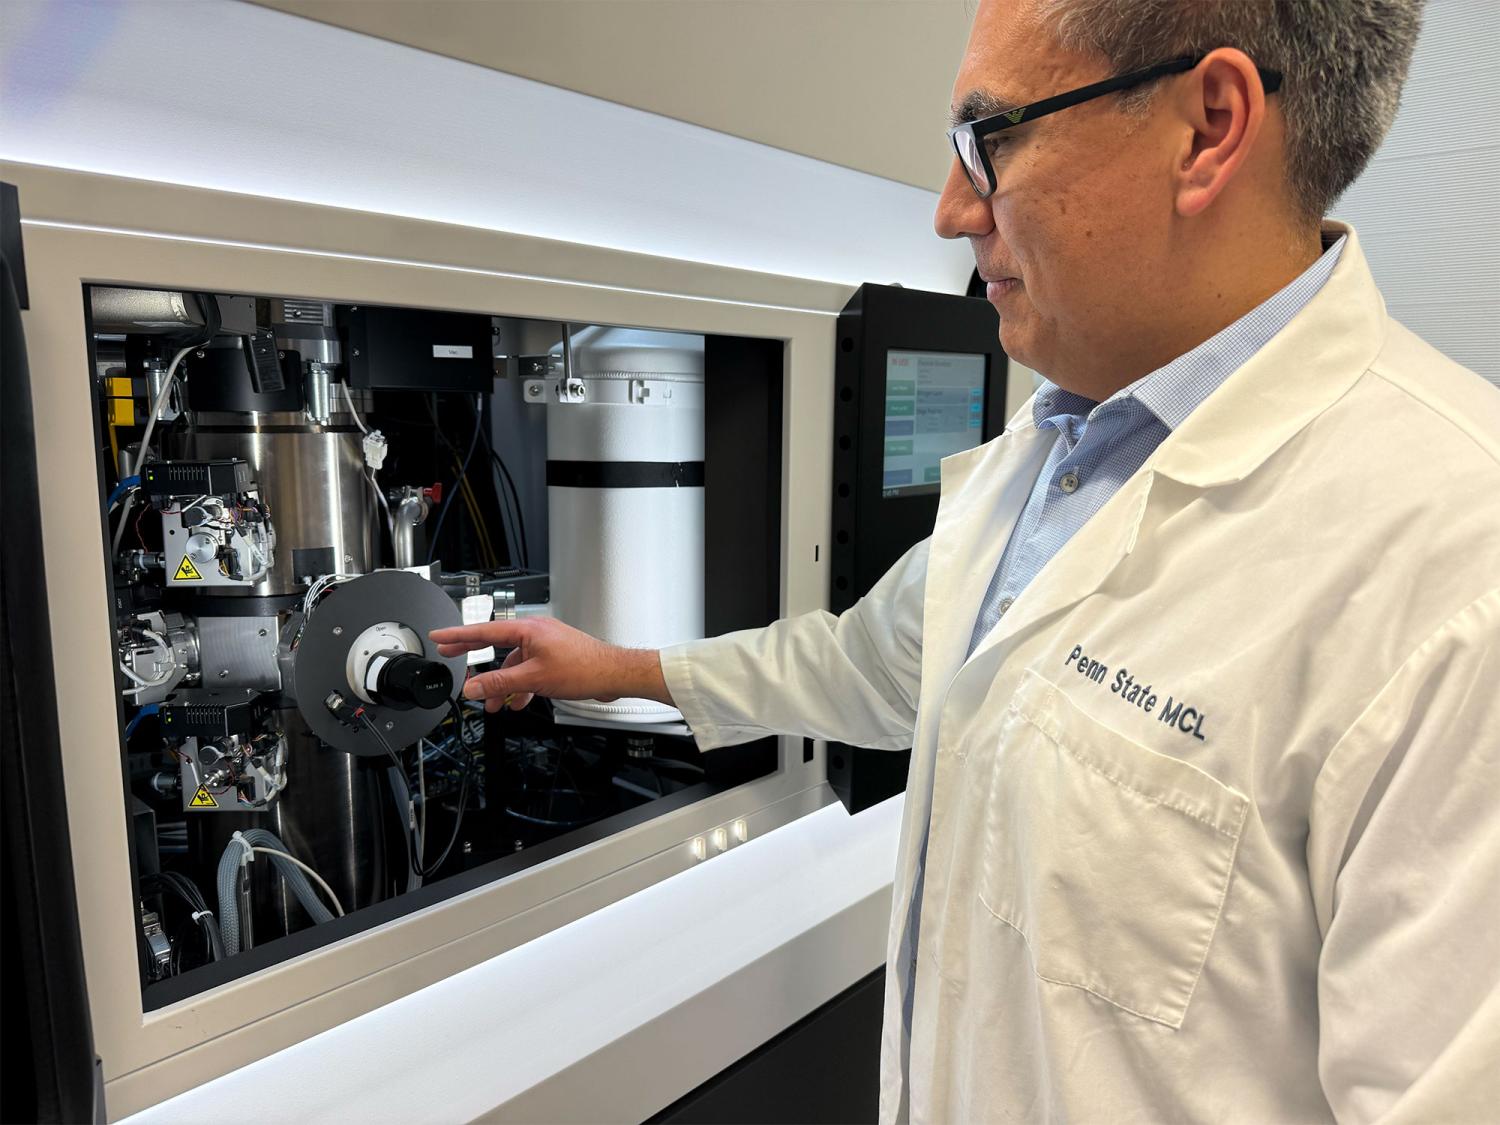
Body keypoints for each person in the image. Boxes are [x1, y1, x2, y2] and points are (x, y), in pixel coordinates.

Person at [433, 0, 1500, 1118]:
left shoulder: (1450, 578)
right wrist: (616, 670)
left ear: (1209, 125)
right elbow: (875, 663)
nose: (950, 211)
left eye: (990, 138)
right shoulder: (1046, 452)